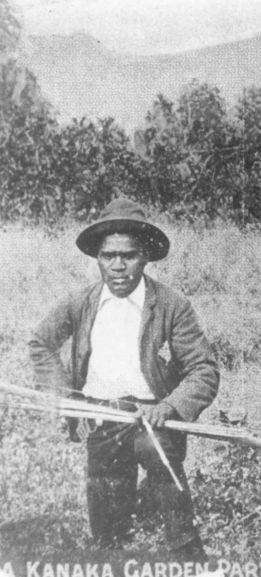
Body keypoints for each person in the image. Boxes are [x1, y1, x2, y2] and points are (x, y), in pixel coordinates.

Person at [28, 198, 219, 557]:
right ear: (97, 258)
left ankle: (186, 549)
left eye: (128, 256)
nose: (117, 267)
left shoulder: (171, 305)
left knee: (160, 459)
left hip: (151, 417)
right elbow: (41, 344)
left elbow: (203, 369)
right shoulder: (81, 301)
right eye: (108, 256)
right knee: (107, 538)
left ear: (145, 256)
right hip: (101, 418)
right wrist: (70, 400)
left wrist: (171, 405)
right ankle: (116, 531)